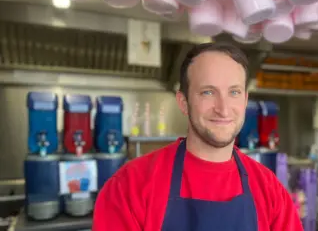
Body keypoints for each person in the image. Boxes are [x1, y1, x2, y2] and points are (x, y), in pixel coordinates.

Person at [92, 42, 303, 231]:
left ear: (245, 100)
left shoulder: (269, 189)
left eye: (234, 92)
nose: (223, 109)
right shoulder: (129, 187)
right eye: (208, 92)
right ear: (183, 102)